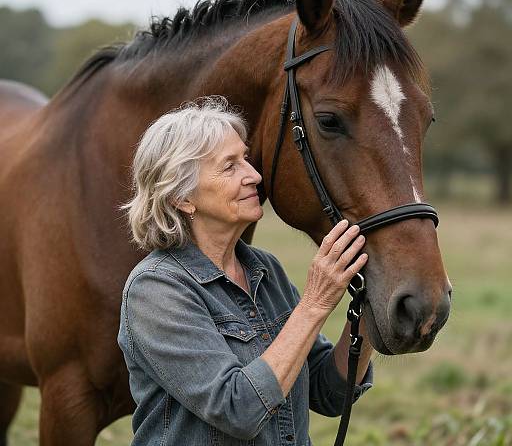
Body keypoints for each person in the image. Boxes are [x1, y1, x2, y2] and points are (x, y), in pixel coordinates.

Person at [117, 95, 374, 446]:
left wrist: (371, 312)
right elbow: (237, 409)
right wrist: (314, 303)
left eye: (246, 159)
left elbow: (328, 392)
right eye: (229, 166)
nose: (254, 175)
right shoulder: (156, 290)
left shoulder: (265, 270)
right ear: (182, 197)